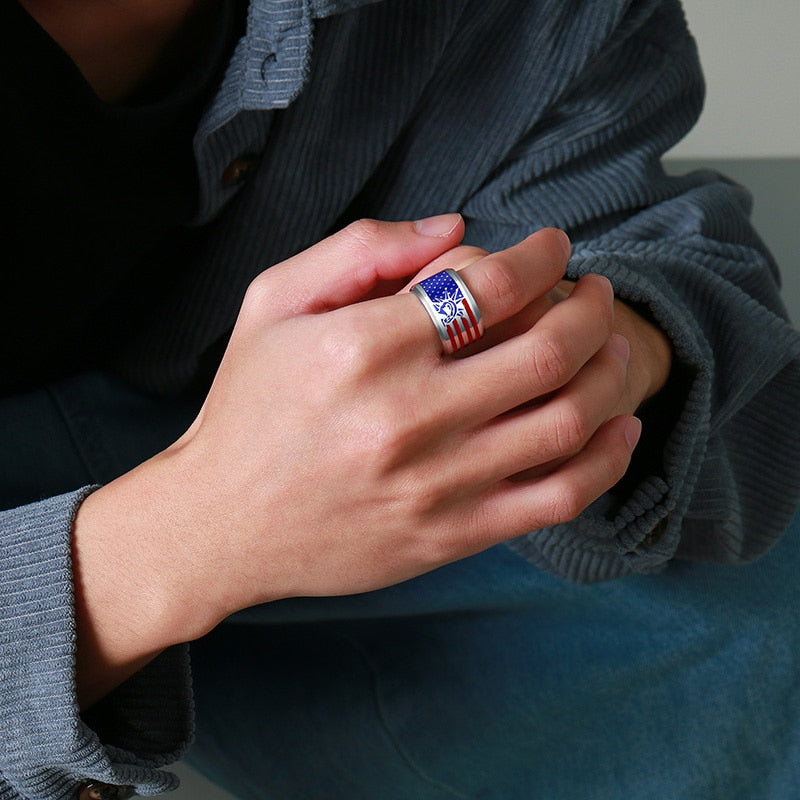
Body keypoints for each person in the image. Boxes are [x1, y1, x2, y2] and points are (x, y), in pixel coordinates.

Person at [2, 0, 799, 798]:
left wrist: (608, 347)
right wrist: (192, 532)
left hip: (326, 471)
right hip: (158, 517)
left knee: (745, 601)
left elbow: (651, 249)